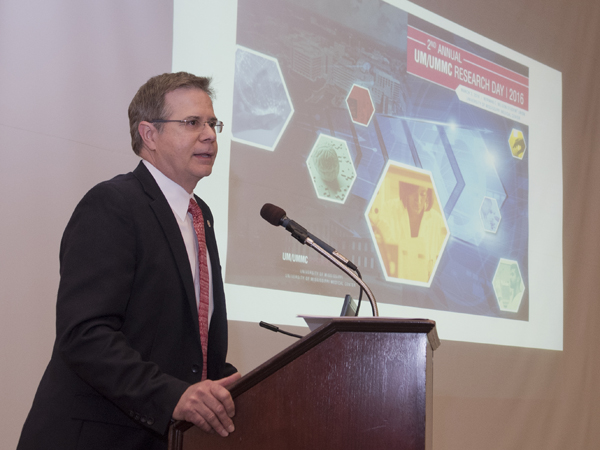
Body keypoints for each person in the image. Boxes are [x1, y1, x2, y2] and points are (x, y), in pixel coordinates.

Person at [17, 72, 240, 450]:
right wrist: (173, 396)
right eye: (192, 123)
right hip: (97, 437)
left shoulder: (200, 214)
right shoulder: (113, 205)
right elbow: (85, 335)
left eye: (212, 123)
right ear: (149, 135)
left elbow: (185, 341)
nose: (209, 135)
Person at [370, 181, 447, 283]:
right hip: (392, 285)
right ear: (406, 191)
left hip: (421, 292)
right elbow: (380, 252)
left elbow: (439, 269)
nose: (418, 200)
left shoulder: (437, 221)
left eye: (423, 194)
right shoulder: (389, 210)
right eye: (413, 193)